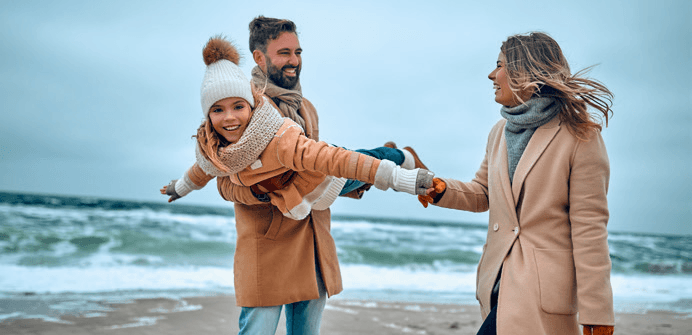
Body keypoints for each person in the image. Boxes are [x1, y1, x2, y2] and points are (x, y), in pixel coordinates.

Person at [418, 32, 615, 335]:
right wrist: (442, 189)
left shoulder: (581, 136)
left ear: (526, 73)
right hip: (497, 281)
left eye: (500, 66)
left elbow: (590, 228)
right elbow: (483, 193)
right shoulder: (499, 131)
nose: (491, 74)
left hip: (542, 291)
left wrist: (597, 312)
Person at [161, 35, 432, 221]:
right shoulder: (215, 150)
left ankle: (404, 155)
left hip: (329, 177)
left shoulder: (279, 140)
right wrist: (179, 188)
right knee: (367, 176)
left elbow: (338, 160)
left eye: (238, 106)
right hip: (303, 198)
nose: (229, 118)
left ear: (252, 106)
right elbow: (201, 171)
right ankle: (388, 157)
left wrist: (405, 180)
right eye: (218, 110)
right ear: (208, 117)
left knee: (371, 163)